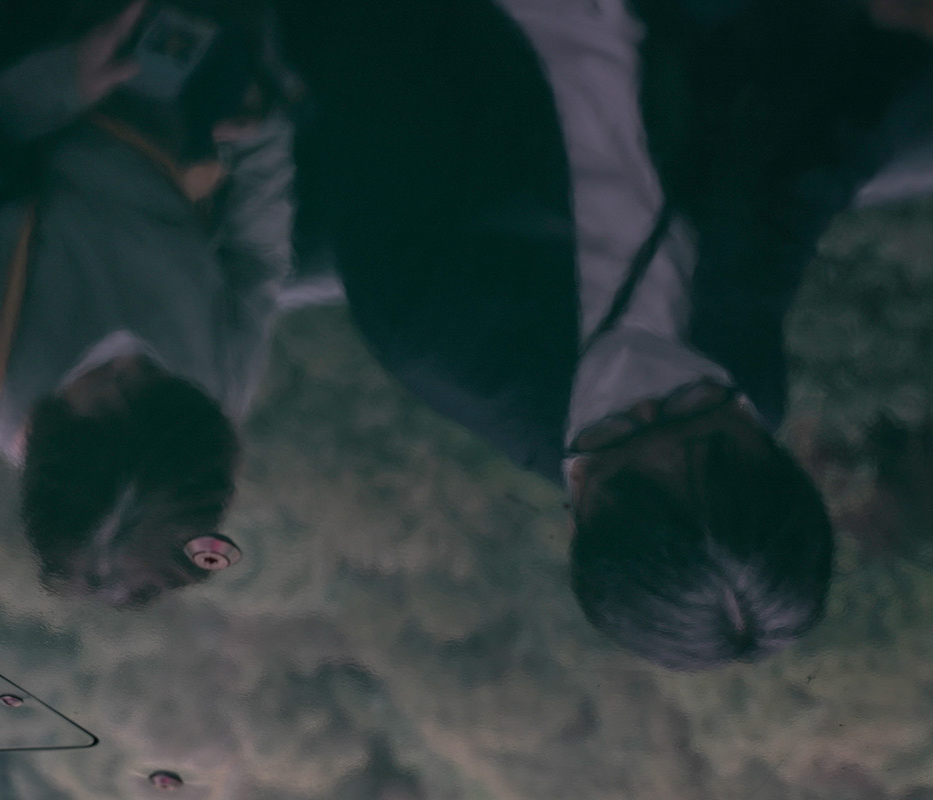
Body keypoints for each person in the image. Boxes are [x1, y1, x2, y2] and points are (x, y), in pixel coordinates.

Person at [279, 0, 933, 669]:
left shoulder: (436, 326)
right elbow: (781, 202)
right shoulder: (748, 392)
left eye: (618, 431)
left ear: (577, 518)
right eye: (693, 404)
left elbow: (370, 42)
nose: (650, 393)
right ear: (771, 445)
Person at [0, 0, 297, 606]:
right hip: (189, 111)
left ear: (44, 440)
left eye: (106, 387)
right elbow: (256, 263)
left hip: (20, 52)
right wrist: (261, 137)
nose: (130, 356)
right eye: (157, 380)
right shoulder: (205, 411)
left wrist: (59, 81)